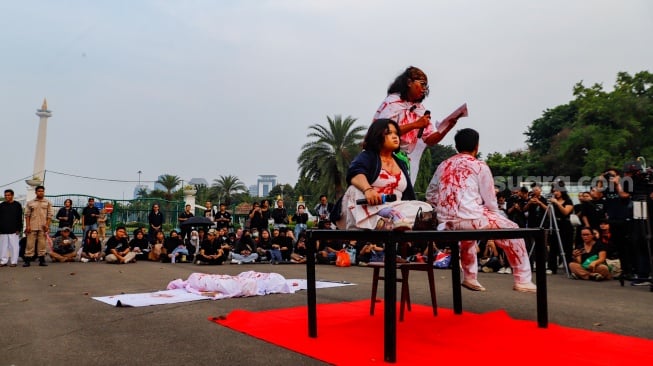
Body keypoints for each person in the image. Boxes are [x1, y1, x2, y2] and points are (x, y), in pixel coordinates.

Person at [426, 128, 536, 293]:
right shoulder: (479, 165)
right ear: (476, 146)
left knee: (467, 237)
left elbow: (430, 194)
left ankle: (470, 277)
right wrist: (490, 213)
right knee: (513, 231)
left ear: (456, 146)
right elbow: (490, 199)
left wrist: (446, 208)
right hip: (471, 218)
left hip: (446, 221)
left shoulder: (443, 165)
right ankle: (523, 279)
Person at [337, 118, 433, 231]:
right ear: (377, 136)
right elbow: (355, 173)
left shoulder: (401, 163)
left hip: (394, 207)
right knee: (354, 189)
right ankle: (381, 221)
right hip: (365, 208)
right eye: (388, 133)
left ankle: (393, 220)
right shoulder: (367, 156)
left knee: (425, 208)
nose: (395, 136)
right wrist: (368, 190)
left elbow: (408, 197)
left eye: (396, 133)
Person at [373, 66, 463, 182]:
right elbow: (384, 132)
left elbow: (430, 140)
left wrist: (447, 127)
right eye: (422, 84)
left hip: (404, 159)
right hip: (382, 156)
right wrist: (416, 124)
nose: (424, 89)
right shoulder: (392, 102)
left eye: (426, 86)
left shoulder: (420, 109)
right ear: (409, 82)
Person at [23, 185, 53, 267]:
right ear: (36, 192)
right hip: (32, 226)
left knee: (42, 244)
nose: (41, 192)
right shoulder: (30, 203)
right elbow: (27, 215)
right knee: (30, 244)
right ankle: (27, 261)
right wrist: (28, 226)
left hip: (43, 227)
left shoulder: (47, 202)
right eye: (39, 191)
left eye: (42, 191)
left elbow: (50, 215)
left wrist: (47, 225)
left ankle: (42, 261)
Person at [0, 189, 23, 267]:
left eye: (9, 195)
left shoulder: (17, 205)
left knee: (14, 247)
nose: (7, 197)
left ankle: (14, 261)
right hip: (3, 230)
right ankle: (3, 261)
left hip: (14, 230)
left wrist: (19, 228)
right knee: (3, 247)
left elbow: (20, 218)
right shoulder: (1, 205)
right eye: (5, 195)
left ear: (12, 195)